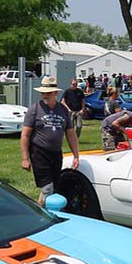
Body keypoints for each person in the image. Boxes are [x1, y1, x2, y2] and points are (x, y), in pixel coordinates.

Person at [20, 76, 81, 206]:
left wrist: (76, 155)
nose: (45, 96)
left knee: (52, 187)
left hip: (56, 153)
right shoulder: (34, 109)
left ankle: (39, 209)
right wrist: (25, 158)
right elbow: (25, 135)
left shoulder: (63, 110)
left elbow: (70, 134)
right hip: (39, 152)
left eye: (48, 93)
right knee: (47, 188)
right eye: (43, 93)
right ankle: (50, 214)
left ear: (55, 93)